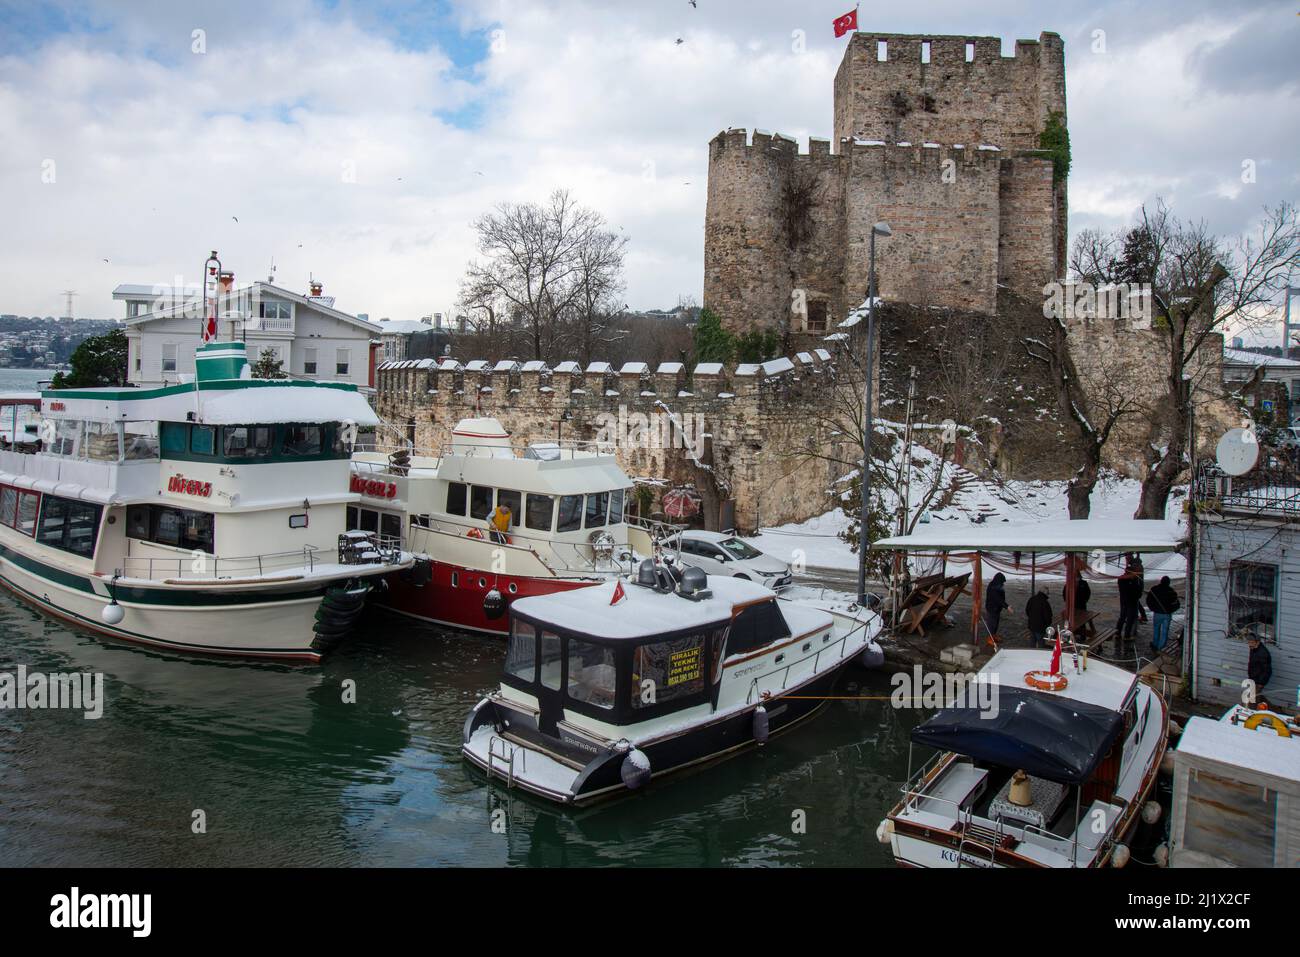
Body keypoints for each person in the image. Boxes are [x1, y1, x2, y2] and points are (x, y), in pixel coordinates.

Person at [1145, 575, 1180, 652]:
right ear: (1168, 583)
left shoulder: (1154, 589)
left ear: (1161, 581)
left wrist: (1153, 608)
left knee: (1156, 628)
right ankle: (1161, 647)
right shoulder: (1171, 591)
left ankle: (1155, 643)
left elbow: (1148, 600)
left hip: (1157, 613)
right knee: (1165, 631)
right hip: (1167, 614)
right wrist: (1171, 610)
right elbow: (1177, 604)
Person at [1116, 562, 1145, 645]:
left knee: (1122, 617)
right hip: (1131, 602)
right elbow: (1138, 591)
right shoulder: (1133, 580)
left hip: (1124, 601)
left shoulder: (1121, 579)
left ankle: (1118, 633)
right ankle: (1126, 635)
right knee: (1129, 619)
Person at [983, 572, 1007, 643]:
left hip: (997, 609)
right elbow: (997, 599)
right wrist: (1006, 606)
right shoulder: (992, 587)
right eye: (1002, 582)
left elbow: (1001, 597)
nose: (1002, 583)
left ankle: (994, 635)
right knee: (991, 624)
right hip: (991, 608)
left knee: (996, 623)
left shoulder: (999, 585)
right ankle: (990, 638)